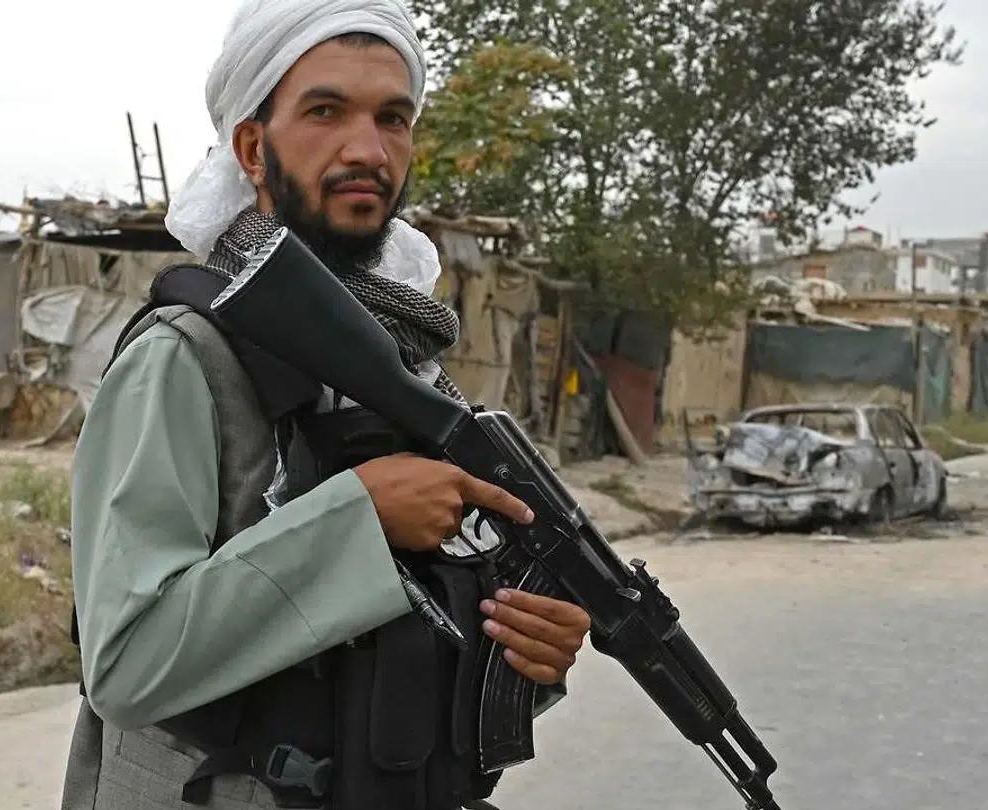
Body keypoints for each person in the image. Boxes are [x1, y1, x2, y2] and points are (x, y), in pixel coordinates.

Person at [60, 2, 592, 809]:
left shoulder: (409, 360)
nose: (367, 149)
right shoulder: (185, 356)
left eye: (392, 119)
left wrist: (525, 646)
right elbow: (126, 667)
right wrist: (359, 522)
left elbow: (413, 643)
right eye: (325, 111)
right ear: (252, 148)